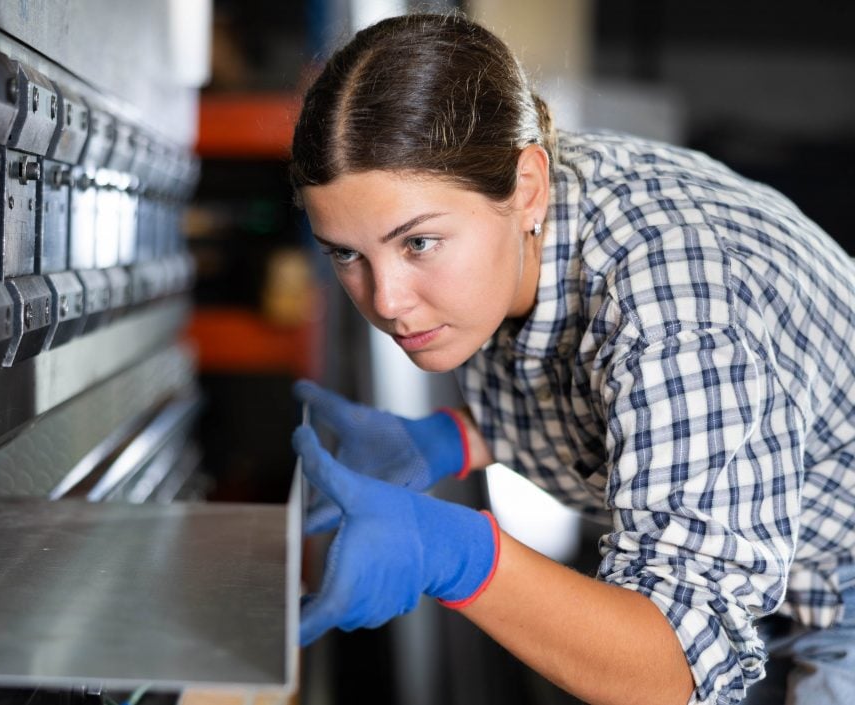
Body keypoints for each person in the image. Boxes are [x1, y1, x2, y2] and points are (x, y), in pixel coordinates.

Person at [288, 11, 855, 705]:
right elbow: (613, 394)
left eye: (418, 244)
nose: (388, 301)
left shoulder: (677, 302)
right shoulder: (526, 196)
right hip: (783, 563)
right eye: (347, 252)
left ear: (527, 186)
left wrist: (457, 556)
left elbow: (673, 665)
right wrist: (455, 441)